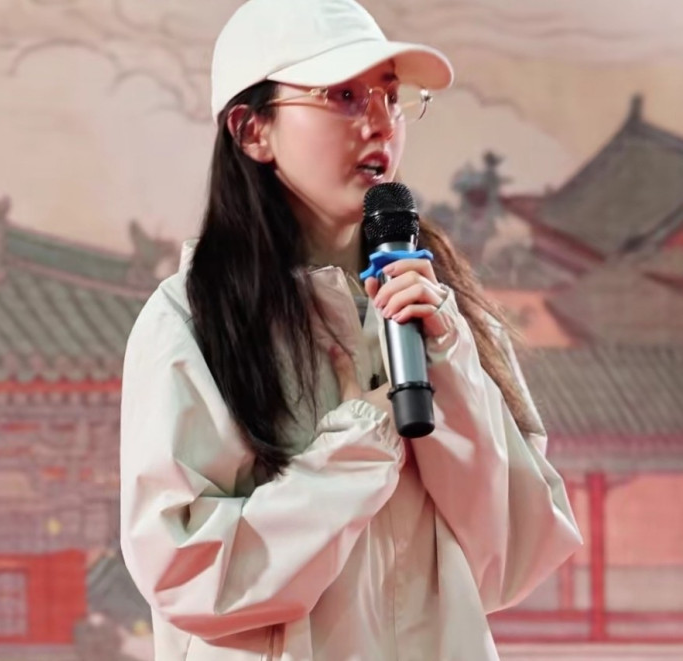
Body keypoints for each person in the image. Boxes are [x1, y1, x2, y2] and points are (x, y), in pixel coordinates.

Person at [119, 0, 583, 659]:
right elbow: (190, 577)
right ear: (251, 130)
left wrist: (448, 368)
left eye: (391, 97)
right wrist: (363, 446)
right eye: (343, 96)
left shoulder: (444, 317)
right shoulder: (190, 321)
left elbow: (514, 558)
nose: (380, 122)